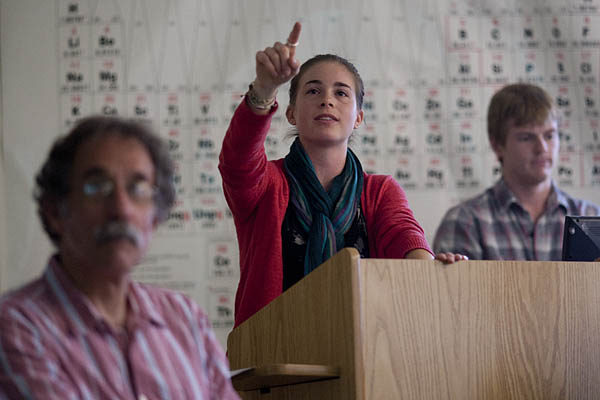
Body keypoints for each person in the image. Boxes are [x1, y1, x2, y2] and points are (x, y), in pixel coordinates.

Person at [219, 22, 465, 327]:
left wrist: (431, 271)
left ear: (358, 117)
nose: (327, 100)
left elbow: (405, 239)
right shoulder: (268, 183)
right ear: (291, 112)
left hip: (364, 353)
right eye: (313, 90)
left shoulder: (379, 191)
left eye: (341, 93)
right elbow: (237, 161)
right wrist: (265, 88)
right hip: (272, 360)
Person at [0, 116, 239, 399]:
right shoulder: (17, 327)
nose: (122, 209)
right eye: (97, 187)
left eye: (138, 189)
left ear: (154, 217)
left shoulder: (185, 318)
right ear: (55, 212)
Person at [434, 83, 600, 260]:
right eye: (526, 137)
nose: (542, 148)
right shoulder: (465, 222)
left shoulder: (590, 217)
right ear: (497, 145)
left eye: (550, 135)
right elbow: (454, 288)